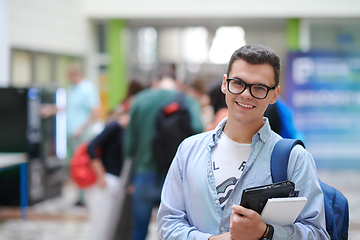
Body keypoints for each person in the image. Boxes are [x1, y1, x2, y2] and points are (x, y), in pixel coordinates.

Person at [157, 45, 329, 239]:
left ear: (274, 94)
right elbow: (167, 223)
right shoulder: (189, 150)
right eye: (238, 83)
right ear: (225, 83)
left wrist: (266, 232)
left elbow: (317, 233)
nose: (246, 94)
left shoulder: (294, 159)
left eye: (259, 87)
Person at [125, 63, 204, 240]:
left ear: (155, 81)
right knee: (173, 232)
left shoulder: (140, 100)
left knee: (139, 230)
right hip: (176, 176)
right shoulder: (187, 100)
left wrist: (130, 177)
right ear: (177, 81)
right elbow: (199, 130)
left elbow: (130, 144)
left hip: (144, 173)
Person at [41, 62, 101, 206]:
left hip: (82, 135)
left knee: (84, 165)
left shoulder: (87, 89)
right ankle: (81, 196)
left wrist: (82, 127)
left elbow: (95, 111)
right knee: (75, 166)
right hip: (70, 135)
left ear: (76, 74)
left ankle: (87, 196)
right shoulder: (71, 89)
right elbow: (67, 107)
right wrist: (50, 110)